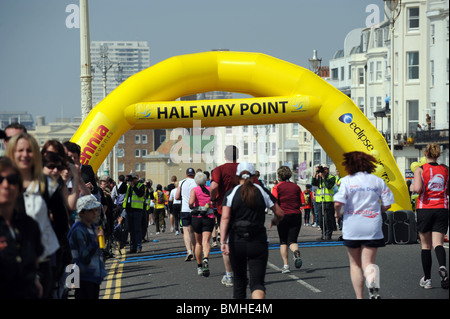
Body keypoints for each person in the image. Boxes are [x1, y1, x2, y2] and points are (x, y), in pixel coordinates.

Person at [5, 133, 62, 299]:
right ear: (11, 152)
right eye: (20, 150)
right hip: (9, 261)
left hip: (41, 261)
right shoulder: (4, 183)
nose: (25, 155)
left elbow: (61, 221)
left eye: (29, 150)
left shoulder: (46, 184)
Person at [334, 151, 394, 299]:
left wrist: (338, 213)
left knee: (355, 264)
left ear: (349, 165)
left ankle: (360, 297)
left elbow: (338, 202)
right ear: (369, 163)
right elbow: (387, 204)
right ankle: (372, 282)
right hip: (372, 225)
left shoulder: (347, 181)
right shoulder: (377, 181)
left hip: (353, 226)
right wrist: (376, 210)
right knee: (368, 263)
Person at [220, 162, 284, 299]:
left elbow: (225, 218)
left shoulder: (231, 194)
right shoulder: (261, 190)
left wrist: (223, 241)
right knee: (257, 284)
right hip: (258, 240)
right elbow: (280, 213)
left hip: (237, 240)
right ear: (254, 176)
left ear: (237, 176)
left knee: (239, 284)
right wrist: (275, 221)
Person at [0, 156, 44, 298]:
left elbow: (36, 260)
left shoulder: (29, 226)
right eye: (0, 180)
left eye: (12, 180)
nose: (6, 185)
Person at [410, 143, 449, 289]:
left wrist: (412, 187)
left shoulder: (420, 169)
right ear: (438, 155)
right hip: (442, 208)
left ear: (425, 154)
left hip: (425, 208)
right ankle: (443, 266)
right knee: (438, 243)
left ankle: (427, 279)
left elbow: (419, 189)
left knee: (426, 246)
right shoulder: (445, 169)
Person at [210, 145, 240, 287]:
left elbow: (214, 187)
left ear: (225, 155)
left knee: (226, 243)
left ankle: (229, 275)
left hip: (225, 209)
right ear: (238, 155)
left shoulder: (219, 169)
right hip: (243, 209)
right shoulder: (244, 168)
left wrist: (213, 199)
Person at [67, 195, 107, 299]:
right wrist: (95, 241)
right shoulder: (78, 231)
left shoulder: (91, 227)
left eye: (96, 210)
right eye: (91, 210)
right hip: (84, 277)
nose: (95, 213)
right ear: (81, 213)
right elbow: (83, 257)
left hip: (93, 277)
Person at [271, 166, 303, 273]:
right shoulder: (296, 187)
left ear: (279, 176)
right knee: (293, 240)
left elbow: (273, 201)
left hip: (283, 215)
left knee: (283, 241)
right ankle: (296, 252)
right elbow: (302, 201)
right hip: (296, 214)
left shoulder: (277, 187)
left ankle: (286, 266)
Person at [189, 172, 215, 277]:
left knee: (198, 243)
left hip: (197, 218)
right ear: (205, 180)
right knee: (206, 242)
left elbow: (190, 203)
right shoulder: (210, 189)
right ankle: (206, 258)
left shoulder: (194, 190)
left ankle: (199, 266)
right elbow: (214, 202)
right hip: (209, 217)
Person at [176, 168, 197, 261]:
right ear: (194, 174)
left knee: (186, 231)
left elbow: (176, 197)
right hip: (195, 209)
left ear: (186, 174)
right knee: (193, 232)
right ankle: (195, 251)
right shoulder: (197, 182)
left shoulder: (181, 182)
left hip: (184, 209)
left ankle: (189, 251)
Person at [311, 163, 336, 240]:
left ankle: (328, 235)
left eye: (325, 168)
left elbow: (329, 186)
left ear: (328, 169)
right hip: (319, 201)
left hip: (328, 201)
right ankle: (323, 234)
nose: (323, 170)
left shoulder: (332, 177)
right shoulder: (319, 177)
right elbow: (313, 183)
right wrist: (315, 173)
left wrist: (324, 177)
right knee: (321, 219)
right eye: (322, 169)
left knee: (328, 218)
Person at [123, 173, 146, 253]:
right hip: (129, 210)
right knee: (131, 229)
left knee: (137, 229)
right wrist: (124, 181)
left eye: (133, 179)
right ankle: (132, 247)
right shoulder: (127, 185)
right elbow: (120, 190)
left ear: (136, 178)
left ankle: (139, 246)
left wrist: (133, 186)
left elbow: (140, 194)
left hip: (137, 210)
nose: (132, 181)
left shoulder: (141, 185)